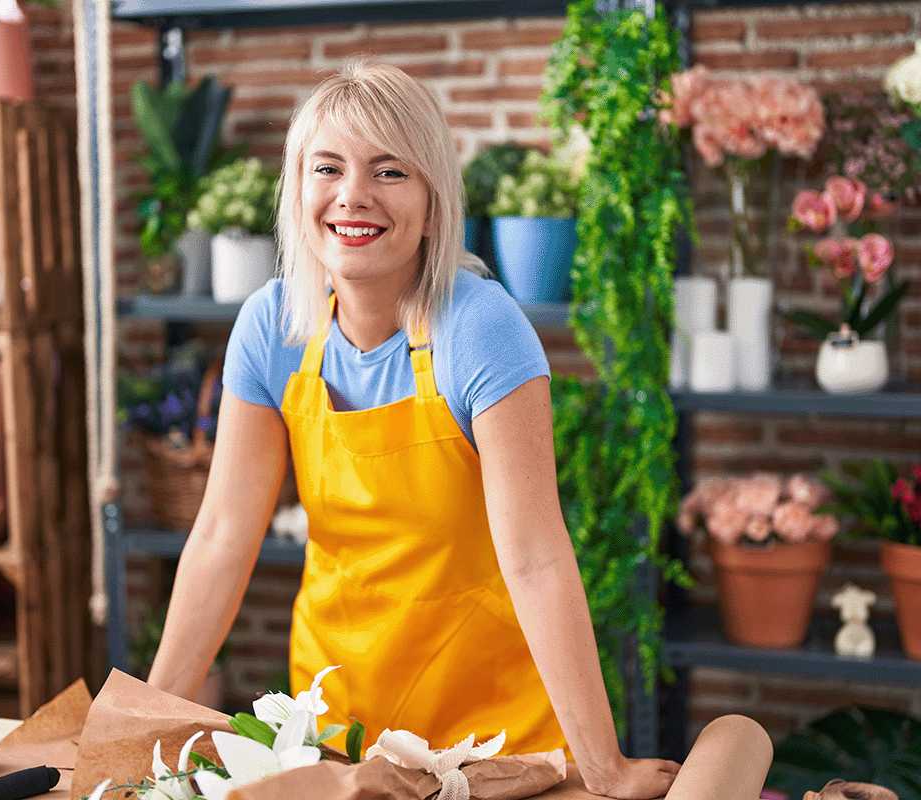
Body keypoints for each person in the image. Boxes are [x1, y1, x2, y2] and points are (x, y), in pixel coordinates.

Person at [148, 60, 771, 800]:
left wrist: (603, 768)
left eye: (389, 172)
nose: (353, 196)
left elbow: (537, 556)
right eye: (328, 168)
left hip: (494, 743)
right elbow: (221, 535)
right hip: (339, 732)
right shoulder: (271, 325)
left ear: (435, 203)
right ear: (299, 189)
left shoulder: (480, 328)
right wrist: (144, 728)